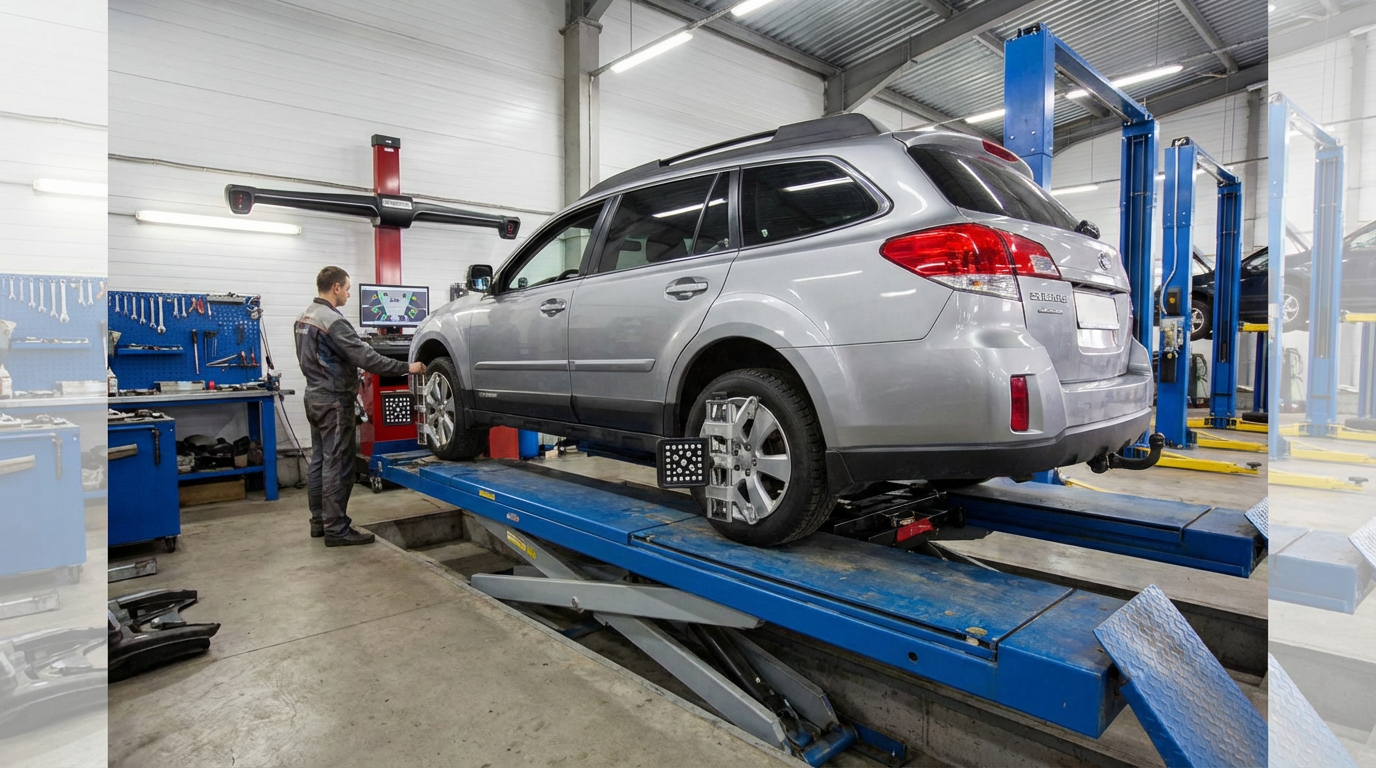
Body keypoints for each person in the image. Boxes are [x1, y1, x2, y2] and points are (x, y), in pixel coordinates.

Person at [295, 266, 425, 546]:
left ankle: (319, 522)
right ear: (336, 288)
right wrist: (408, 367)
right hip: (334, 401)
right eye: (347, 288)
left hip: (314, 397)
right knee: (338, 463)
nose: (349, 294)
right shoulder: (333, 321)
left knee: (319, 460)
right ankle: (336, 530)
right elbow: (367, 359)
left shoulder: (305, 317)